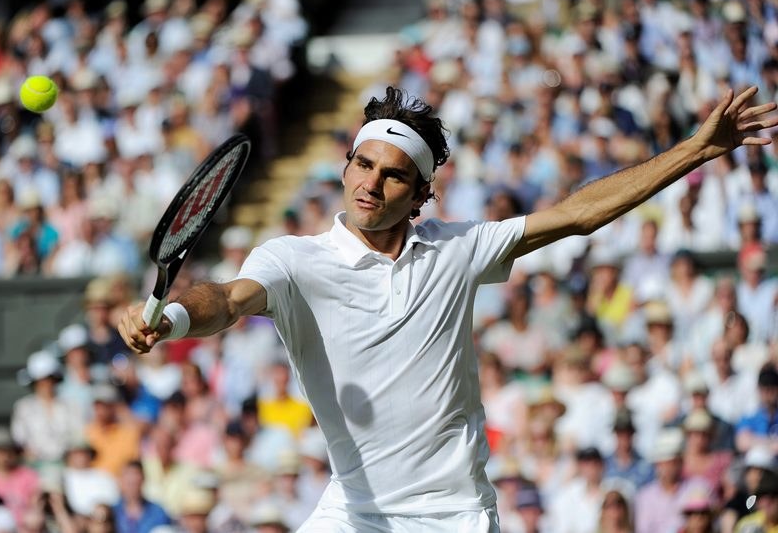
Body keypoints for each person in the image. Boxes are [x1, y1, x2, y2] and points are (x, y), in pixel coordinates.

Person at [120, 86, 777, 531]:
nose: (371, 182)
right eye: (363, 164)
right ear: (346, 166)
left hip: (454, 514)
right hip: (354, 509)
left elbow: (578, 214)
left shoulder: (460, 247)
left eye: (394, 173)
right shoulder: (292, 259)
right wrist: (171, 319)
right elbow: (225, 300)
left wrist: (698, 147)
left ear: (422, 193)